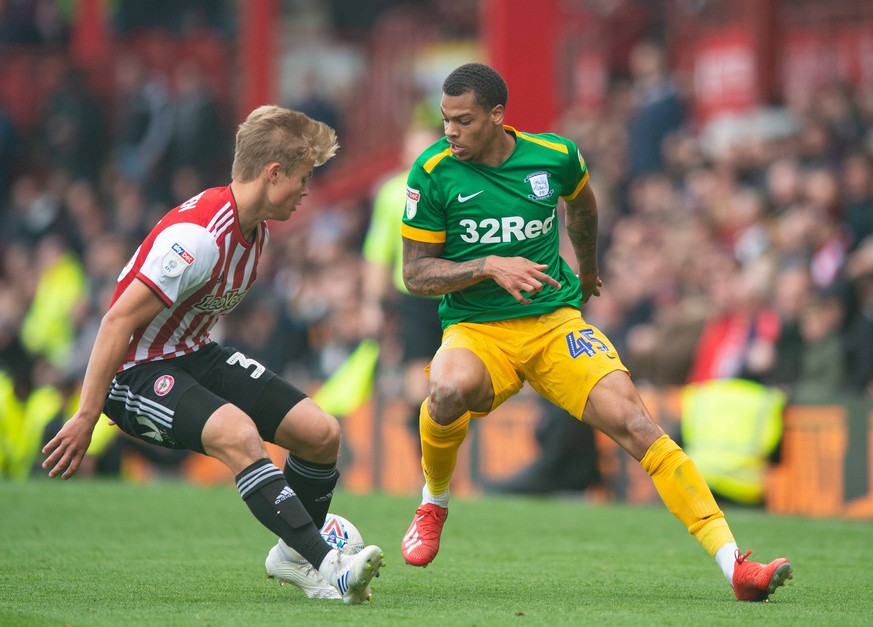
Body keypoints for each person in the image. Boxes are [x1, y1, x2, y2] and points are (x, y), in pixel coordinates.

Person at [398, 63, 792, 602]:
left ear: (496, 115)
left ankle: (735, 566)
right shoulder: (431, 172)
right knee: (444, 390)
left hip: (554, 322)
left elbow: (582, 204)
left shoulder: (555, 157)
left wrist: (586, 268)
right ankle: (434, 502)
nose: (450, 131)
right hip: (477, 328)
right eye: (445, 120)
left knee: (637, 423)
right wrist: (489, 264)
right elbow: (415, 274)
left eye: (463, 121)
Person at [41, 105, 383, 605]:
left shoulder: (257, 228)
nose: (308, 191)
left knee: (321, 433)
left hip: (192, 354)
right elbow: (116, 319)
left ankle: (290, 555)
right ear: (273, 174)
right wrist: (87, 414)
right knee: (240, 434)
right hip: (134, 374)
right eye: (304, 178)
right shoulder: (198, 238)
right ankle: (329, 567)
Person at [361, 124, 444, 448]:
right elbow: (378, 252)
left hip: (457, 294)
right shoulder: (393, 193)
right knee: (418, 377)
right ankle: (424, 455)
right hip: (415, 298)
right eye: (416, 151)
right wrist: (372, 303)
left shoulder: (455, 189)